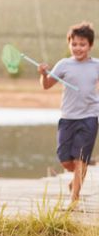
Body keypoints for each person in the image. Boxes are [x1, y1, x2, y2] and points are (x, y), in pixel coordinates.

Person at [37, 22, 99, 206]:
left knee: (81, 159)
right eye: (74, 44)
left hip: (90, 117)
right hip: (67, 118)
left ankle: (74, 198)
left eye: (82, 44)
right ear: (69, 44)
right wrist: (42, 74)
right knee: (65, 160)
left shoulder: (96, 65)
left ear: (90, 45)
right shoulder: (64, 65)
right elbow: (46, 85)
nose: (78, 48)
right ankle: (76, 180)